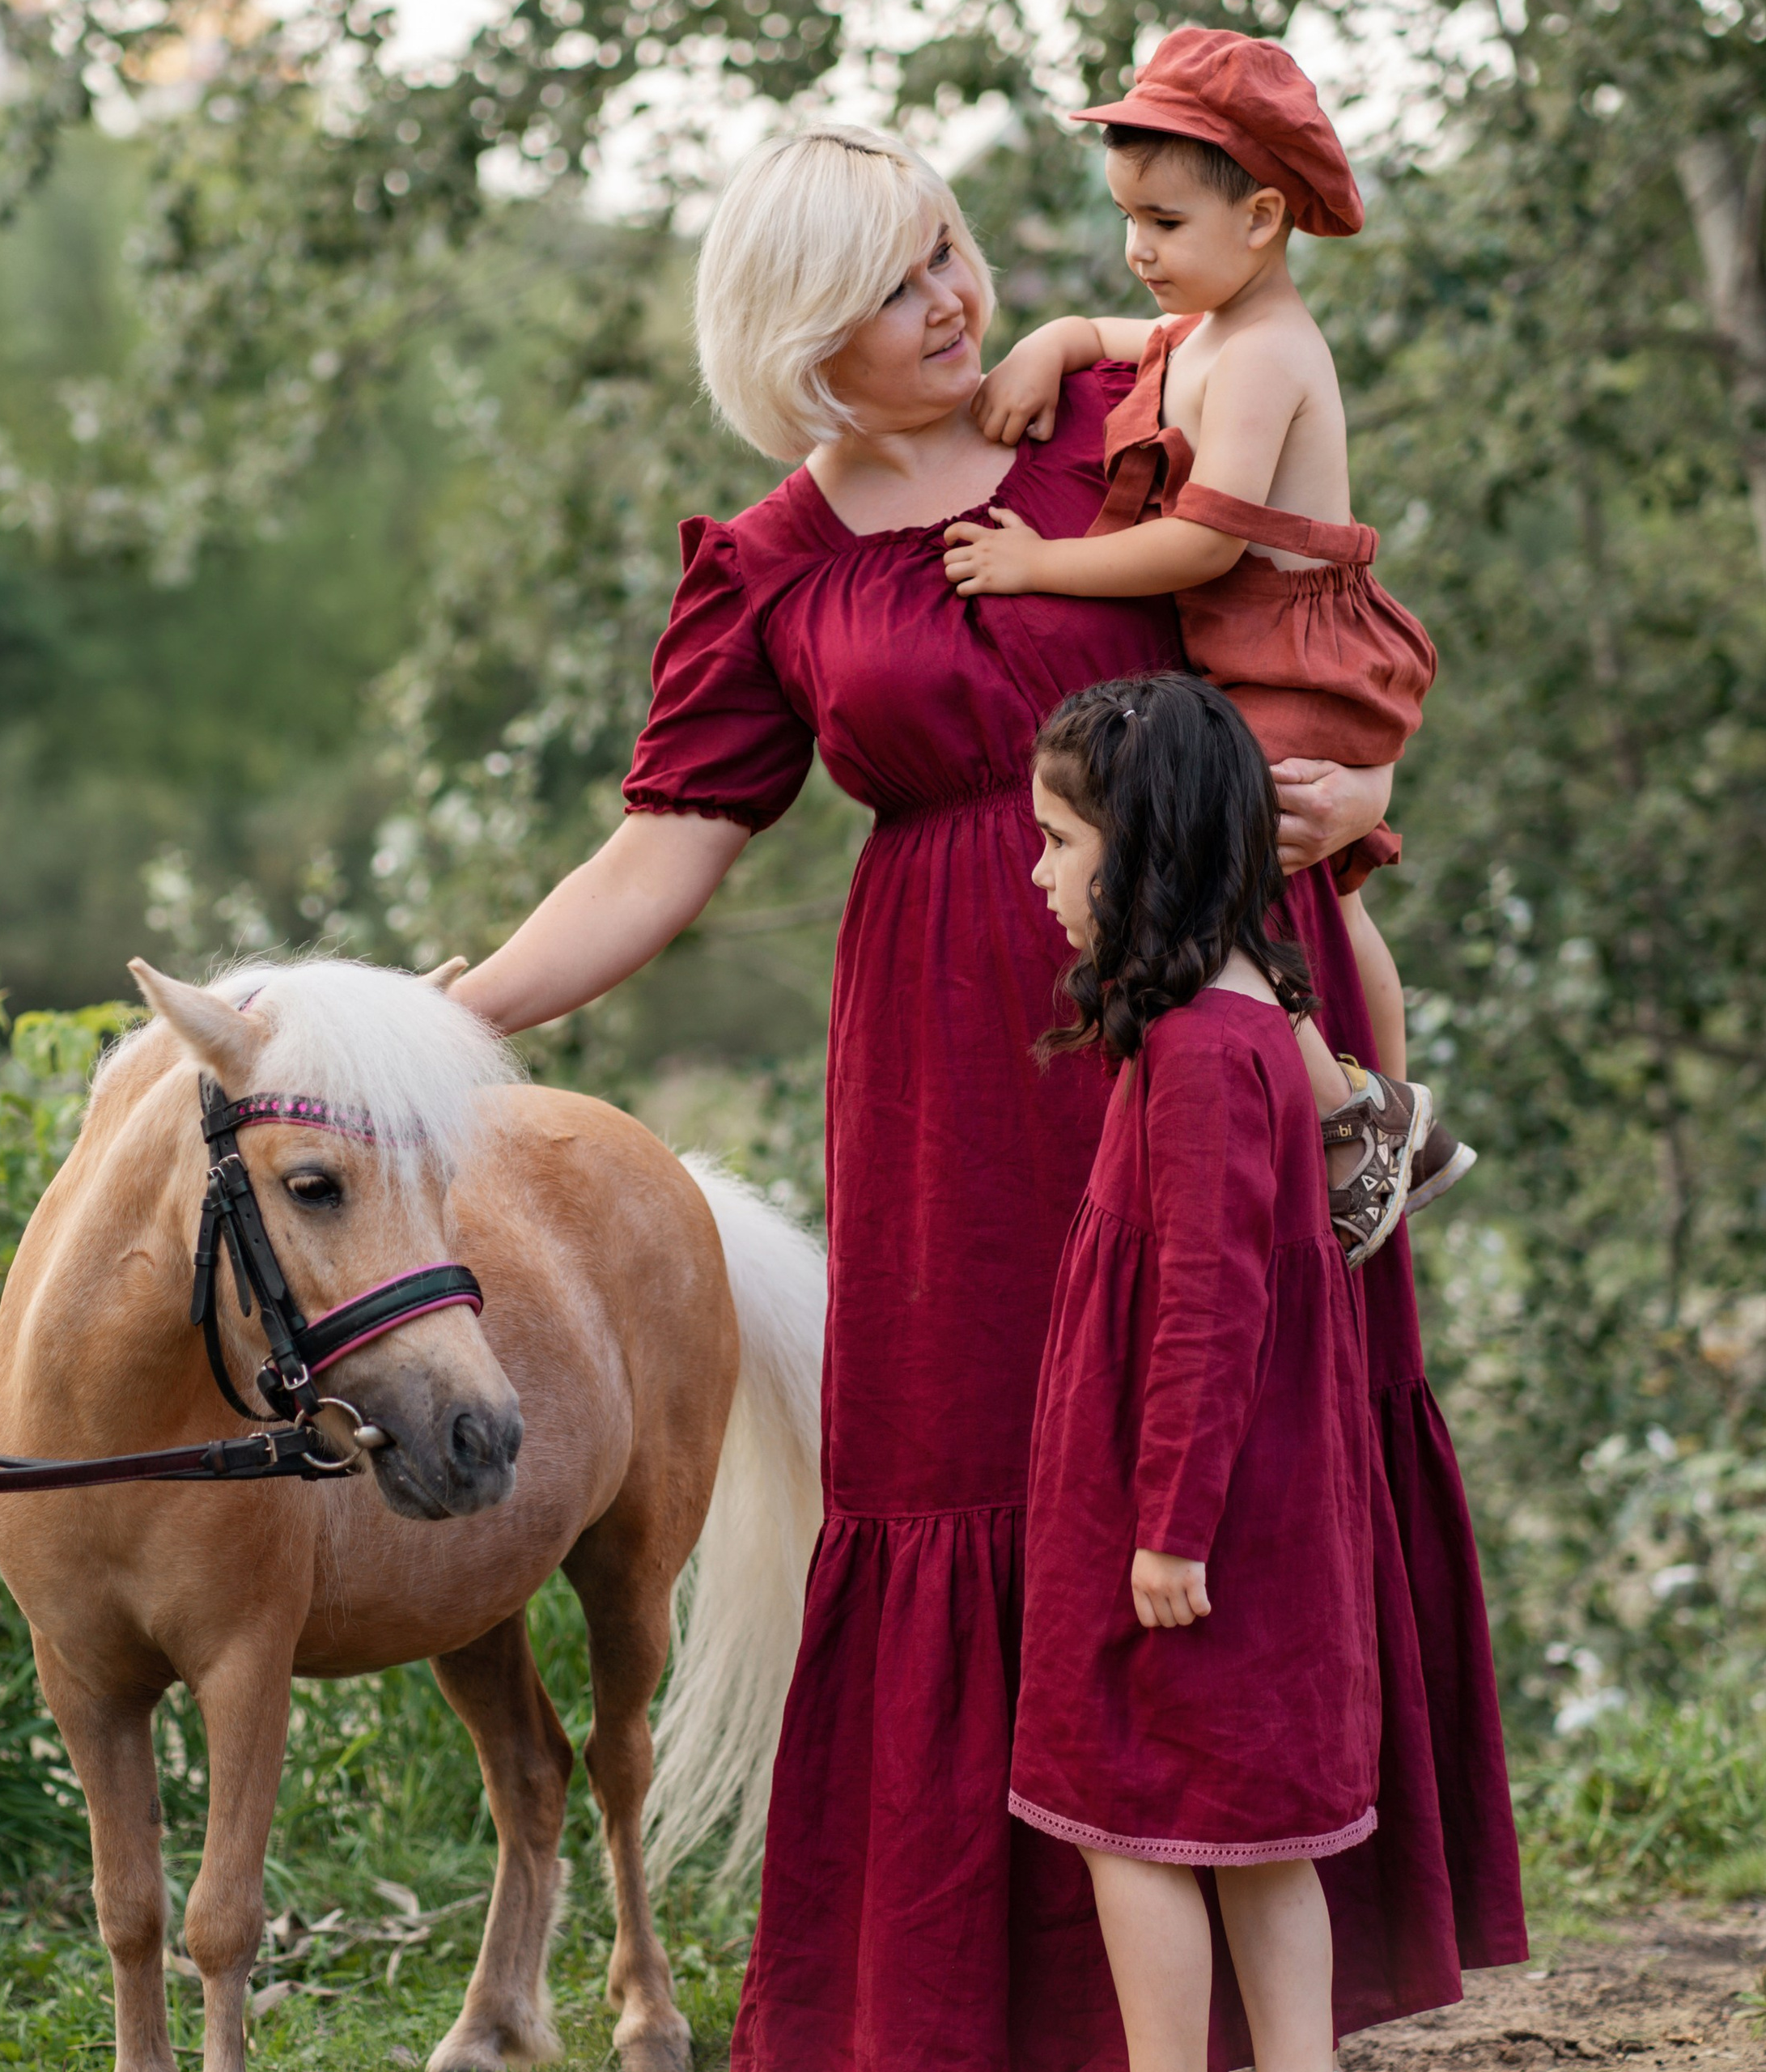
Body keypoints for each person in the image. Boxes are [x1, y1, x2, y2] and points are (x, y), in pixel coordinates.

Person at [446, 121, 1525, 2072]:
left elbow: (1305, 615)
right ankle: (988, 2008)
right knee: (968, 1466)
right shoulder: (769, 565)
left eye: (944, 248)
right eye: (891, 285)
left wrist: (1372, 791)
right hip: (953, 1065)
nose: (952, 297)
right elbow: (663, 847)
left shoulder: (1116, 404)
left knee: (1229, 1438)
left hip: (1215, 1009)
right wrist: (459, 1008)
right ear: (794, 341)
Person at [942, 27, 1476, 1267]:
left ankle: (1355, 1115)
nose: (1139, 250)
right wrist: (1053, 342)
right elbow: (1111, 337)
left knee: (1217, 869)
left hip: (1300, 660)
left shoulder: (1269, 353)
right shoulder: (1203, 328)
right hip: (1254, 665)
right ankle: (1394, 1115)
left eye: (1166, 223)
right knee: (1321, 892)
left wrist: (1036, 565)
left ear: (1266, 219)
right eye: (1127, 216)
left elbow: (1195, 548)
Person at [1012, 672, 1383, 2072]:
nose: (1041, 873)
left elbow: (1211, 1308)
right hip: (1246, 1503)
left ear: (1143, 847)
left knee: (1132, 1820)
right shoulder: (1245, 1027)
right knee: (1256, 1836)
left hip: (1188, 1518)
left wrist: (1166, 1524)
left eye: (1059, 839)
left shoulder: (1204, 1054)